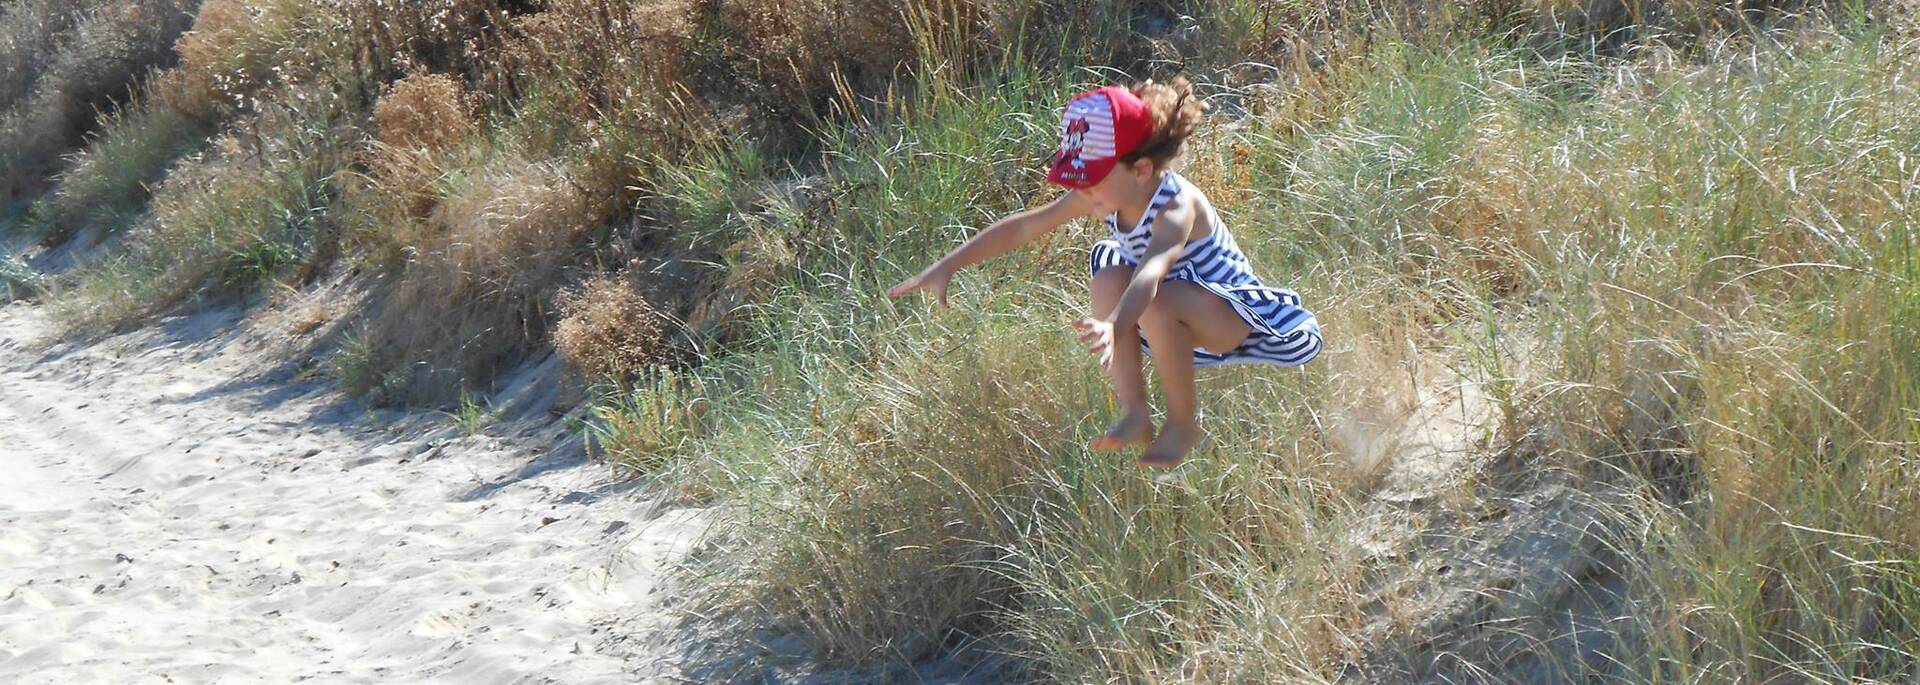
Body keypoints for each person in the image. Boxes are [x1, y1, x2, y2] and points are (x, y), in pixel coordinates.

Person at [887, 77, 1322, 469]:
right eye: (1077, 177)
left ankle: (1184, 424)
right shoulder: (1105, 194)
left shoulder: (1176, 206)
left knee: (1152, 293)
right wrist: (947, 265)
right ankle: (1135, 411)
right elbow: (1025, 225)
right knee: (1109, 274)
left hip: (1233, 321)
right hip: (1166, 322)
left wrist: (1115, 324)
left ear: (1142, 170)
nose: (1082, 189)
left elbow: (1153, 271)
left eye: (1092, 176)